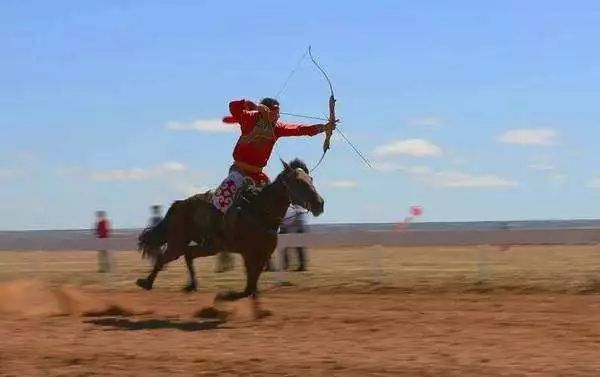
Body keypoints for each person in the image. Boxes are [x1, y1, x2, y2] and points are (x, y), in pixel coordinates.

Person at [208, 97, 335, 272]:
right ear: (266, 110)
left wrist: (324, 128)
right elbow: (233, 106)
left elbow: (299, 129)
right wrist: (254, 105)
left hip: (259, 174)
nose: (277, 116)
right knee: (221, 198)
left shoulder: (277, 128)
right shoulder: (249, 118)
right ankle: (217, 237)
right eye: (275, 112)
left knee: (274, 202)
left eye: (278, 113)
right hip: (239, 171)